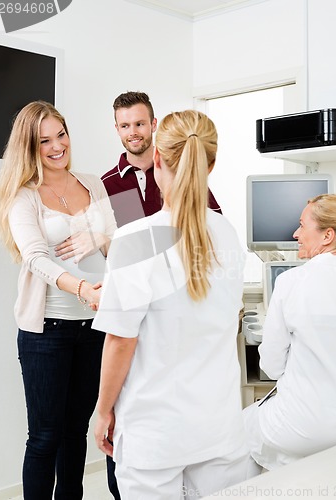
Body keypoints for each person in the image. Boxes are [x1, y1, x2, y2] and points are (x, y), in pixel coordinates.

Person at [92, 110, 251, 499]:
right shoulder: (228, 234)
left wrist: (103, 410)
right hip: (219, 429)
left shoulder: (134, 239)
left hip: (155, 435)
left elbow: (120, 341)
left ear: (158, 159)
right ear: (210, 164)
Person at [0, 101, 117, 500]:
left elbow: (126, 236)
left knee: (75, 431)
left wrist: (99, 237)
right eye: (44, 140)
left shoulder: (93, 183)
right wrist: (81, 289)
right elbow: (34, 257)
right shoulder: (22, 195)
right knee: (45, 436)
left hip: (95, 327)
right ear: (30, 147)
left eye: (60, 135)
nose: (56, 146)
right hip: (47, 331)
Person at [243, 193, 336, 472]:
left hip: (308, 428)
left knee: (239, 431)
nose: (296, 233)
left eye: (302, 225)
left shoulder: (290, 283)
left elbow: (271, 367)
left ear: (327, 236)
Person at [101, 91, 222, 227]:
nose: (133, 132)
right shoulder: (104, 186)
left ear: (153, 124)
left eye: (139, 124)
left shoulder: (179, 173)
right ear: (117, 129)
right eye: (125, 126)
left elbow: (215, 224)